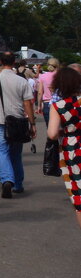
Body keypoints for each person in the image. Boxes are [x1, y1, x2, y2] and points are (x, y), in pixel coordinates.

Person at [0, 51, 37, 198]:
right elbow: (28, 104)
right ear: (14, 62)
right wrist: (32, 124)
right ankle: (18, 184)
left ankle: (7, 179)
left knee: (2, 151)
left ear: (0, 62)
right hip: (18, 121)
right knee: (16, 153)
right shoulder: (22, 81)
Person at [46, 64, 81, 231]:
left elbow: (52, 134)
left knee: (79, 195)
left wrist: (64, 129)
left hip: (73, 150)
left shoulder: (58, 106)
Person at [39, 59, 58, 129]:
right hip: (59, 102)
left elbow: (40, 92)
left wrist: (39, 105)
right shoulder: (60, 75)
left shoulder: (42, 76)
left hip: (47, 103)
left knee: (49, 127)